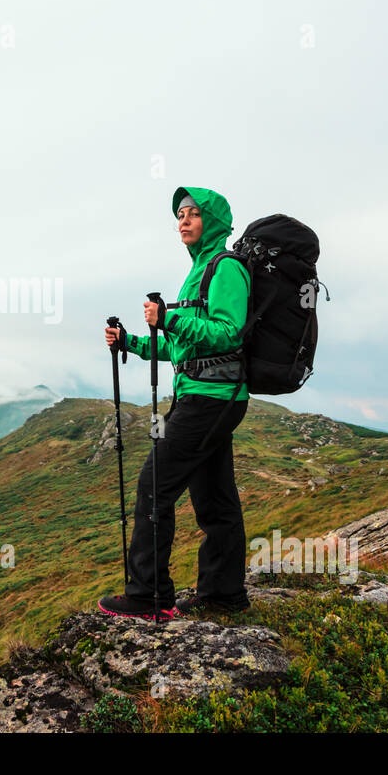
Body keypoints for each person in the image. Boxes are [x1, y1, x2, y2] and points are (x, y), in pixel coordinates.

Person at [98, 186, 251, 620]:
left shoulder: (226, 268)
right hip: (205, 394)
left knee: (154, 485)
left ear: (214, 221)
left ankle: (149, 596)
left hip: (211, 397)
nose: (183, 220)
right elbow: (184, 346)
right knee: (214, 497)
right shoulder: (199, 271)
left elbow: (228, 332)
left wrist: (168, 318)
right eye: (179, 214)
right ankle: (224, 594)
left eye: (193, 213)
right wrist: (133, 342)